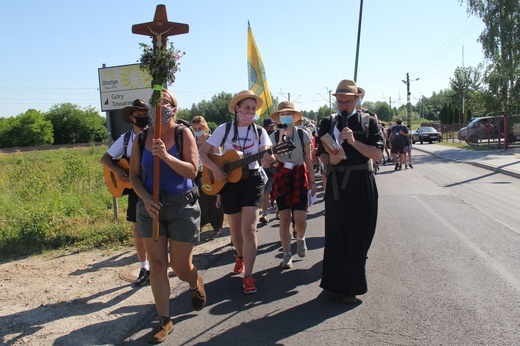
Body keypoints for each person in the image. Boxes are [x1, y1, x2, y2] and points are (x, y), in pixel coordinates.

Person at [129, 89, 205, 344]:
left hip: (182, 206)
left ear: (174, 106)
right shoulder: (141, 139)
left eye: (164, 102)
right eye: (155, 103)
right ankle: (165, 319)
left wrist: (166, 155)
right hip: (152, 207)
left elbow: (192, 171)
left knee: (181, 266)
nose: (159, 107)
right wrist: (145, 198)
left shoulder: (184, 134)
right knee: (158, 265)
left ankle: (195, 283)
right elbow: (134, 176)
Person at [199, 90, 274, 294]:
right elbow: (203, 153)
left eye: (253, 109)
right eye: (246, 108)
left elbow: (267, 153)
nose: (250, 112)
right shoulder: (224, 129)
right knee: (235, 230)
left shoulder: (260, 132)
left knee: (249, 229)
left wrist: (269, 158)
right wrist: (215, 169)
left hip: (253, 180)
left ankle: (249, 275)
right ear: (237, 109)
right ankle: (239, 255)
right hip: (230, 182)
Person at [317, 79, 383, 304]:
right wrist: (331, 157)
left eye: (347, 101)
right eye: (339, 101)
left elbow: (377, 154)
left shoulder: (369, 122)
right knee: (337, 235)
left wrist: (353, 143)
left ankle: (352, 275)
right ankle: (339, 286)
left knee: (362, 233)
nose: (343, 105)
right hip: (336, 184)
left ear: (357, 100)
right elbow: (320, 153)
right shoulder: (327, 122)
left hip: (361, 181)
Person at [100, 99, 150, 287]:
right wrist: (117, 171)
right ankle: (144, 267)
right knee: (137, 229)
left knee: (157, 228)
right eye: (139, 114)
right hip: (134, 191)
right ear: (131, 117)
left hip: (153, 187)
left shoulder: (155, 136)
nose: (143, 117)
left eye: (146, 114)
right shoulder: (126, 139)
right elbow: (105, 159)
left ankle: (157, 265)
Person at [269, 101, 317, 269]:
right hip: (282, 175)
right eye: (283, 114)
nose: (286, 116)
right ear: (279, 117)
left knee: (300, 219)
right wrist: (281, 139)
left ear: (295, 117)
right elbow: (270, 160)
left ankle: (300, 238)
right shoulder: (274, 136)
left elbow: (309, 159)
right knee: (284, 218)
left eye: (289, 113)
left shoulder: (303, 134)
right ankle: (287, 253)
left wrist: (312, 181)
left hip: (298, 174)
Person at [191, 115, 224, 237]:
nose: (198, 131)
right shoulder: (192, 142)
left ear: (205, 127)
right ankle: (198, 226)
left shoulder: (212, 140)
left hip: (211, 174)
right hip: (197, 176)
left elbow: (219, 158)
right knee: (199, 201)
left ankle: (217, 227)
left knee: (213, 201)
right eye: (195, 128)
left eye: (200, 128)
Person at [260, 118, 277, 224]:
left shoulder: (278, 136)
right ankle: (265, 214)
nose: (271, 129)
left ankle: (279, 211)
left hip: (278, 168)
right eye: (269, 127)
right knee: (266, 193)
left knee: (279, 191)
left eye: (272, 127)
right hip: (265, 169)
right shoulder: (261, 138)